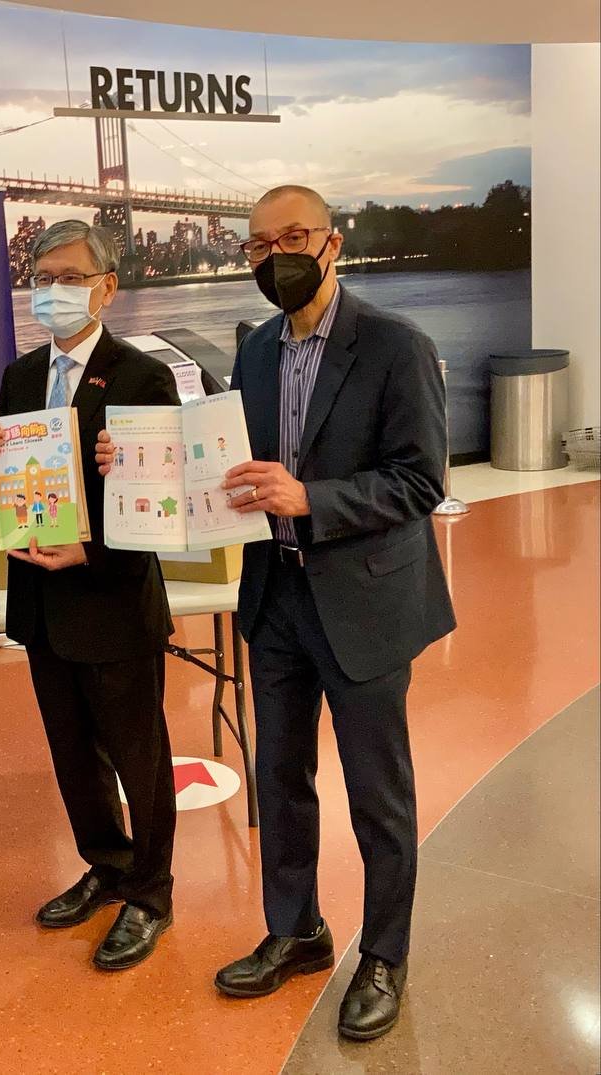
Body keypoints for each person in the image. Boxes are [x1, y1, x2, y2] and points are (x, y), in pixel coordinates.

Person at [108, 185, 455, 1040]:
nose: (274, 258)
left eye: (291, 238)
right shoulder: (256, 350)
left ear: (331, 243)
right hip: (276, 596)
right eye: (257, 247)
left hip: (365, 596)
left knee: (379, 793)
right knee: (282, 778)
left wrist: (311, 498)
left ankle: (383, 951)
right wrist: (137, 461)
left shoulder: (394, 346)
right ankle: (295, 928)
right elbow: (220, 462)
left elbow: (421, 480)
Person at [0, 219, 179, 971]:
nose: (53, 291)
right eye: (42, 277)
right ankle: (107, 862)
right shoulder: (19, 377)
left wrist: (93, 536)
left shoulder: (140, 376)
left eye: (69, 277)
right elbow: (5, 486)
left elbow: (157, 503)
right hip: (39, 600)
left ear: (105, 288)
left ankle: (151, 892)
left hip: (111, 596)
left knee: (140, 757)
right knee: (72, 754)